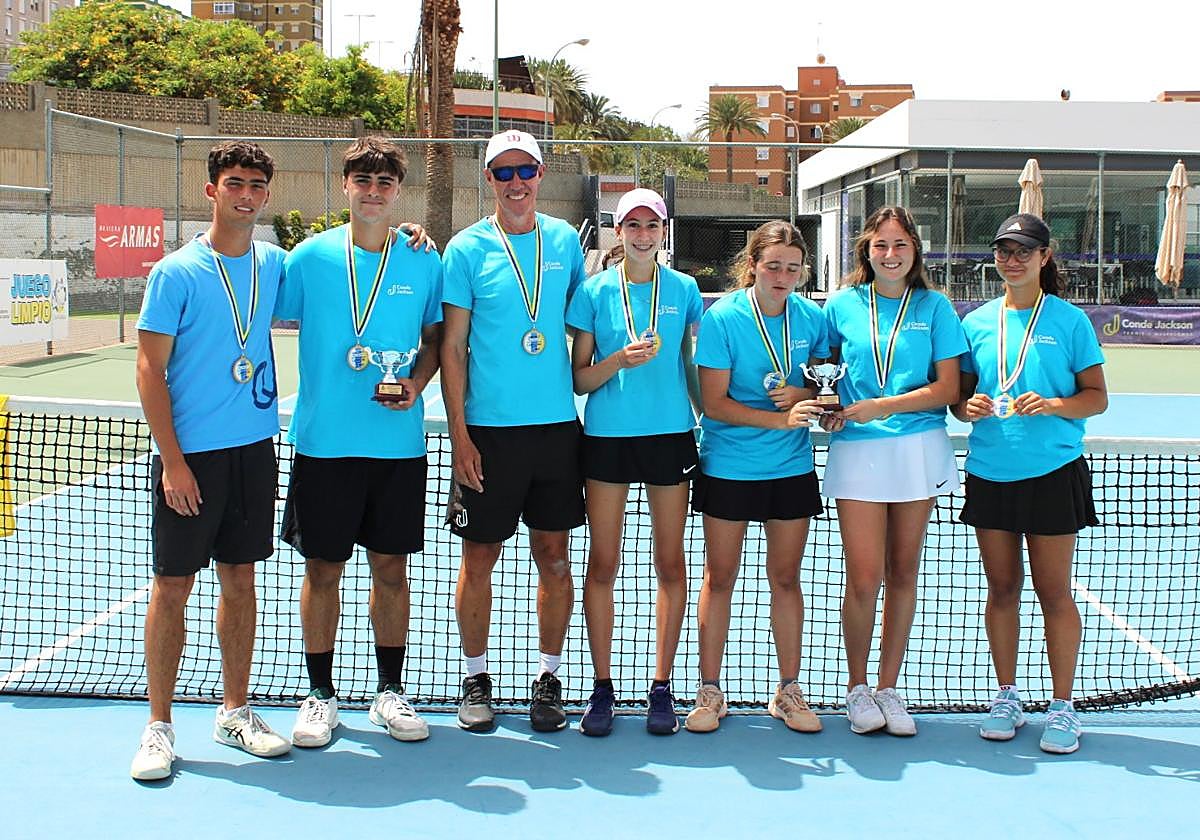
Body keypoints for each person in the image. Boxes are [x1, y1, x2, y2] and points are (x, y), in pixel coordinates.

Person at [131, 140, 290, 780]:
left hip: (254, 451)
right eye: (234, 183)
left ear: (265, 196)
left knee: (241, 580)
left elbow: (350, 259)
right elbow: (148, 369)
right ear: (211, 191)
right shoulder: (175, 272)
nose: (245, 194)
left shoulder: (276, 265)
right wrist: (173, 463)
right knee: (173, 587)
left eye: (255, 185)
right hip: (190, 457)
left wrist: (412, 234)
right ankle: (159, 727)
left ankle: (234, 710)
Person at [278, 137, 441, 748]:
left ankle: (389, 691)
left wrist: (417, 386)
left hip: (397, 447)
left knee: (391, 569)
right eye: (362, 181)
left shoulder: (424, 259)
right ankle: (320, 694)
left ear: (399, 191)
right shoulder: (308, 258)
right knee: (324, 569)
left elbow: (433, 340)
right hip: (324, 446)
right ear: (345, 185)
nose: (373, 192)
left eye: (385, 183)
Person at [441, 130, 587, 732]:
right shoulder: (466, 249)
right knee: (480, 559)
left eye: (525, 169)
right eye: (503, 173)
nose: (516, 182)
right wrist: (460, 437)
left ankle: (548, 678)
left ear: (541, 172)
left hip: (557, 433)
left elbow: (589, 324)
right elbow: (452, 347)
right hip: (488, 436)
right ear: (488, 181)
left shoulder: (564, 243)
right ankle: (475, 677)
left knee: (554, 560)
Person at [952, 213, 1107, 755]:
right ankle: (1007, 696)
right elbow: (961, 397)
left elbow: (1096, 396)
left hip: (1053, 473)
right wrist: (964, 406)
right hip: (990, 472)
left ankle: (1063, 707)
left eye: (1024, 251)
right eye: (1003, 250)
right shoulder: (974, 322)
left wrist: (1055, 405)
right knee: (1002, 590)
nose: (1012, 259)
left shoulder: (1070, 322)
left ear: (1045, 257)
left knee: (1053, 592)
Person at [819, 206, 967, 736]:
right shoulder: (840, 306)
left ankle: (888, 687)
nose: (890, 254)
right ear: (866, 250)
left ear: (914, 251)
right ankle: (857, 689)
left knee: (903, 573)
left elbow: (948, 389)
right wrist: (828, 405)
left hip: (918, 448)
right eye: (880, 245)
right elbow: (823, 376)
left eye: (900, 244)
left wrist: (882, 407)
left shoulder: (936, 307)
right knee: (863, 578)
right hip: (858, 451)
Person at [565, 188, 703, 736]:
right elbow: (579, 378)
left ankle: (662, 687)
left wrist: (707, 417)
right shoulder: (594, 291)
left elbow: (690, 365)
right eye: (633, 225)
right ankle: (602, 689)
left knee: (671, 564)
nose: (643, 234)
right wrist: (618, 359)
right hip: (607, 440)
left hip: (671, 438)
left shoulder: (686, 289)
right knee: (604, 565)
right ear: (617, 233)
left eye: (652, 225)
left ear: (662, 232)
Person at [686, 220, 828, 735]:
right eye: (773, 265)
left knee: (786, 579)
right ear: (753, 265)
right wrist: (778, 417)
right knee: (719, 578)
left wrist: (812, 402)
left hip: (790, 469)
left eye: (793, 267)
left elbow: (825, 384)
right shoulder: (723, 318)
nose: (783, 275)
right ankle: (709, 691)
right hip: (728, 466)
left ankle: (789, 691)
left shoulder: (812, 318)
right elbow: (715, 404)